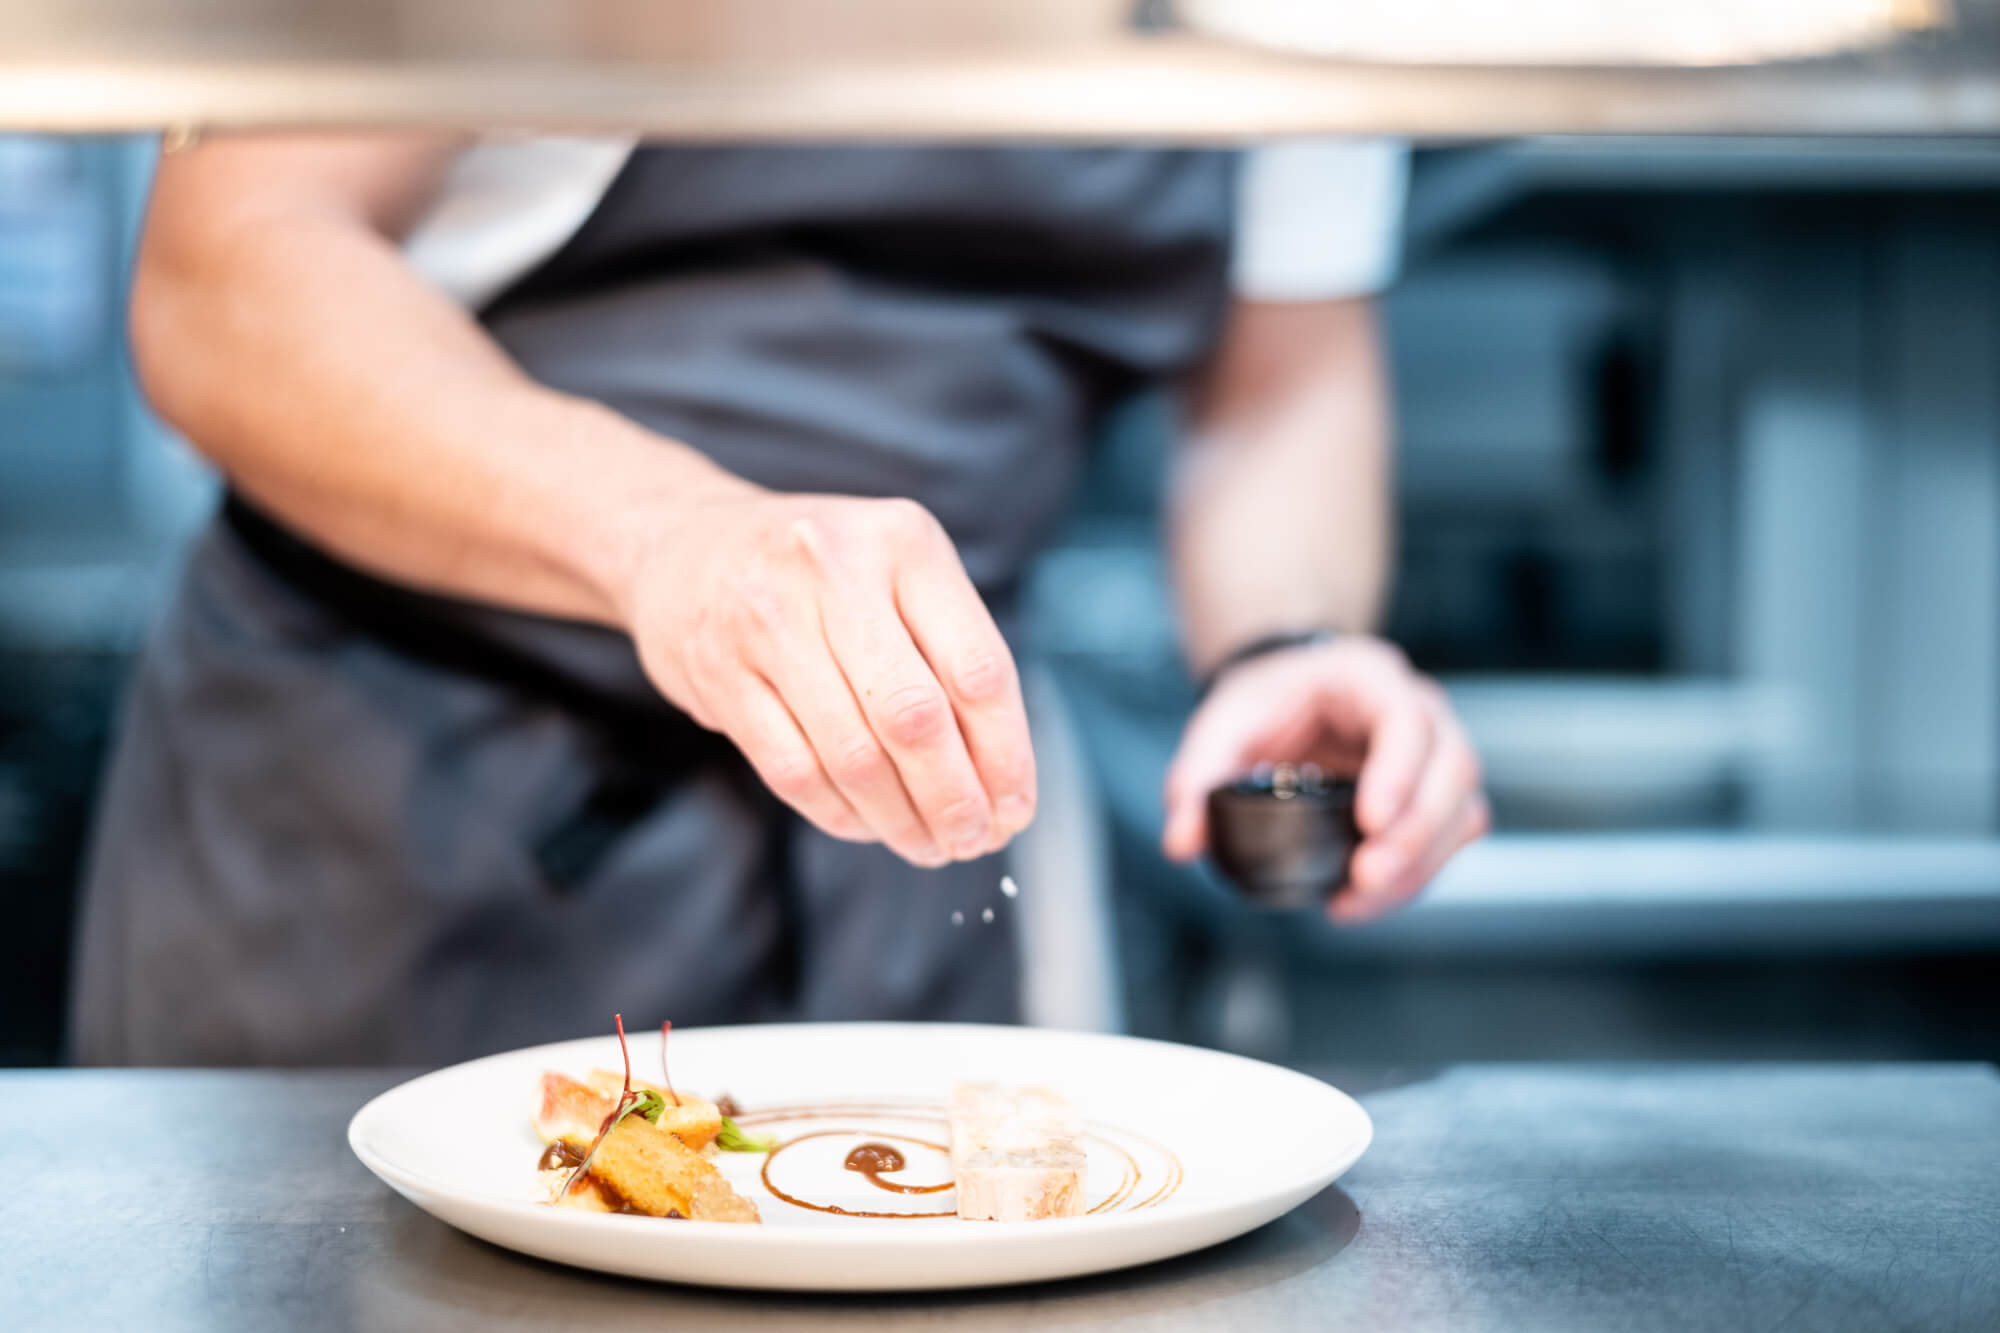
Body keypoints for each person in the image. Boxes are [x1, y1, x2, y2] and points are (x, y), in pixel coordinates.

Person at [72, 136, 1487, 1066]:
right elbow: (222, 279)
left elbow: (1280, 368)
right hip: (404, 802)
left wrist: (1288, 636)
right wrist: (675, 541)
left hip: (918, 839)